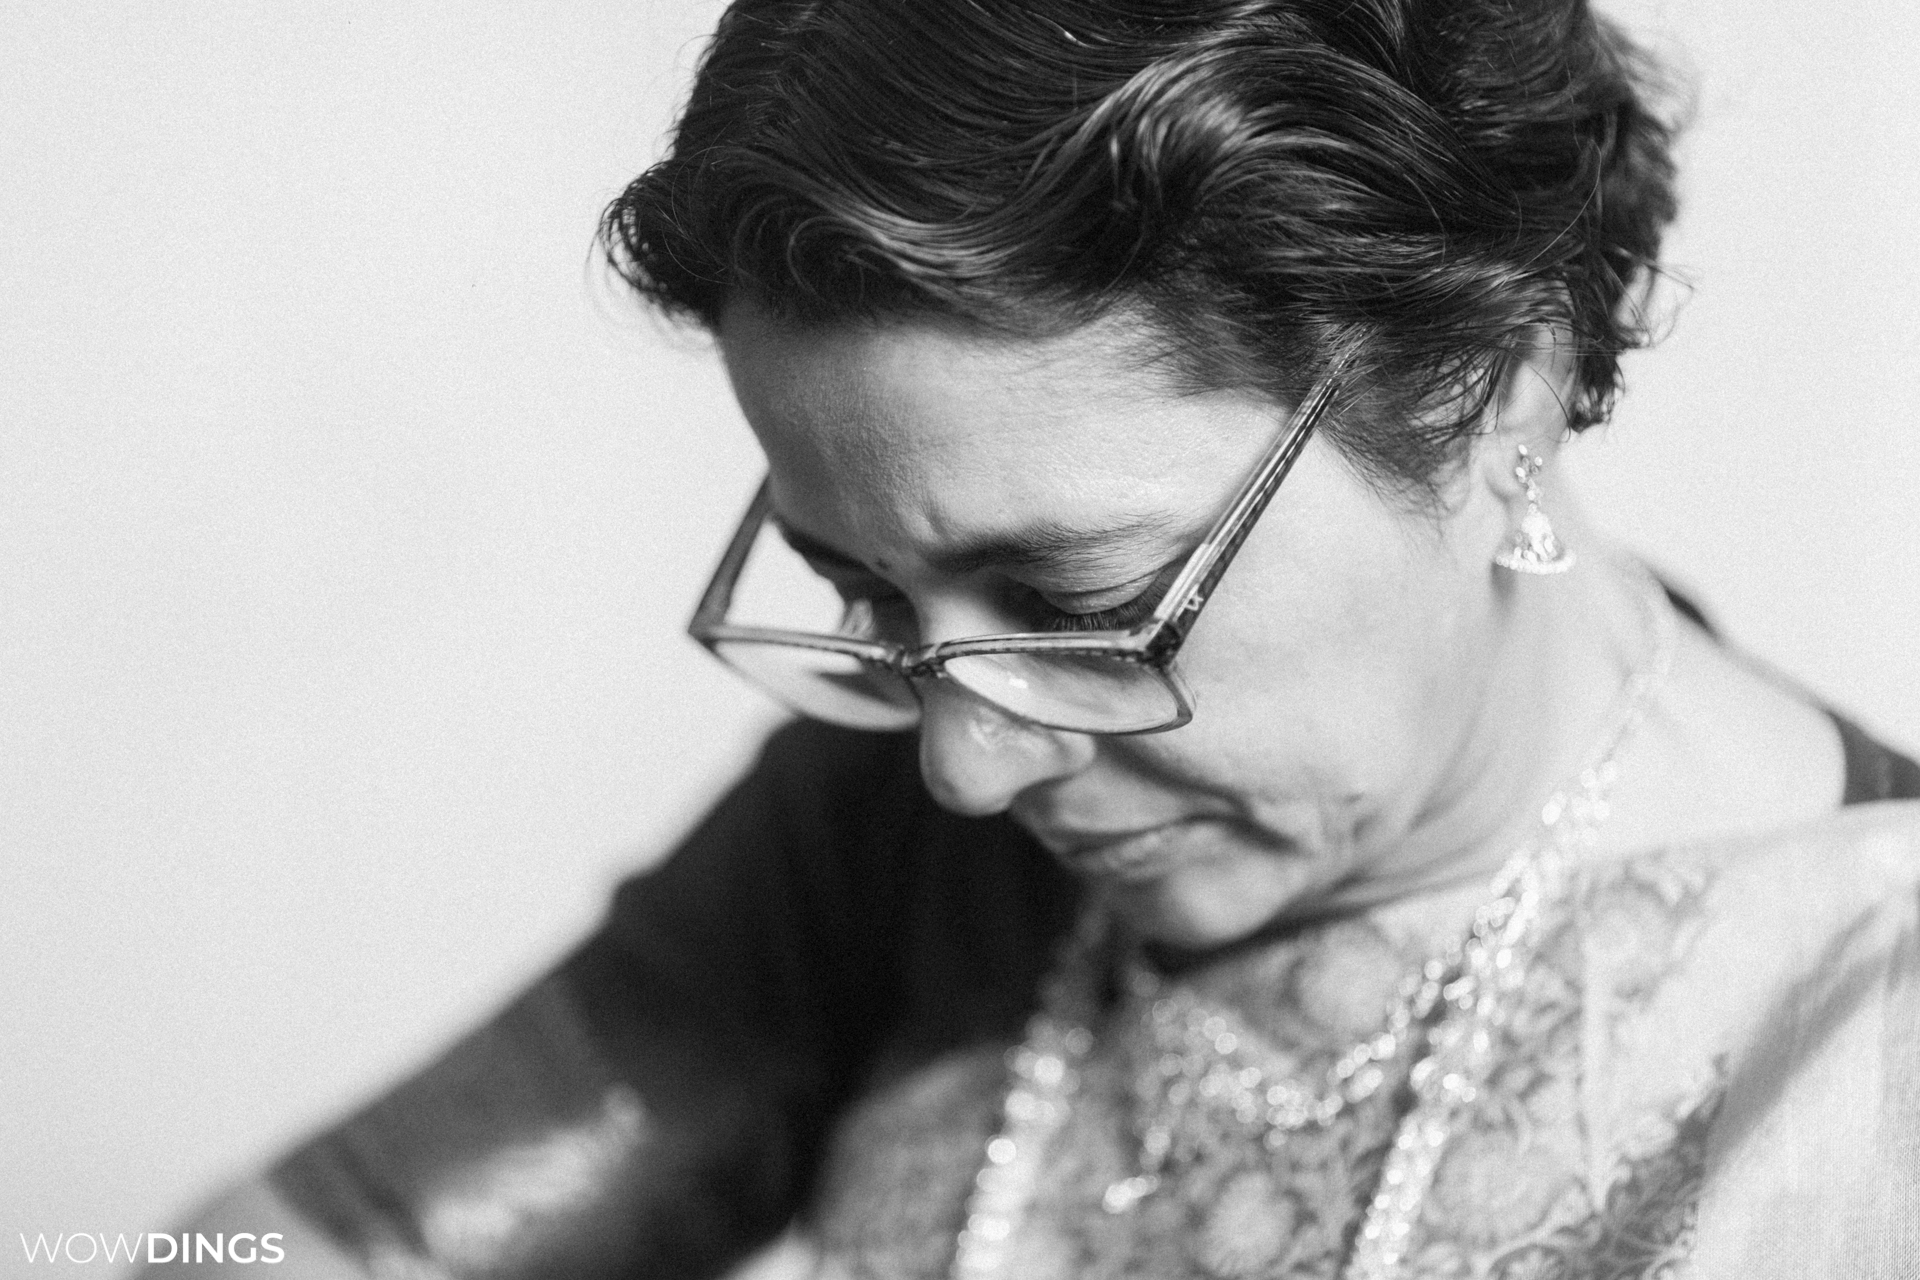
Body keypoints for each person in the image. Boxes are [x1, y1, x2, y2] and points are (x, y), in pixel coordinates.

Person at [153, 0, 1920, 1276]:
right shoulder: (878, 844)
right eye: (867, 598)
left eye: (1080, 608)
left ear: (1491, 393)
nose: (969, 766)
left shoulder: (1867, 1044)